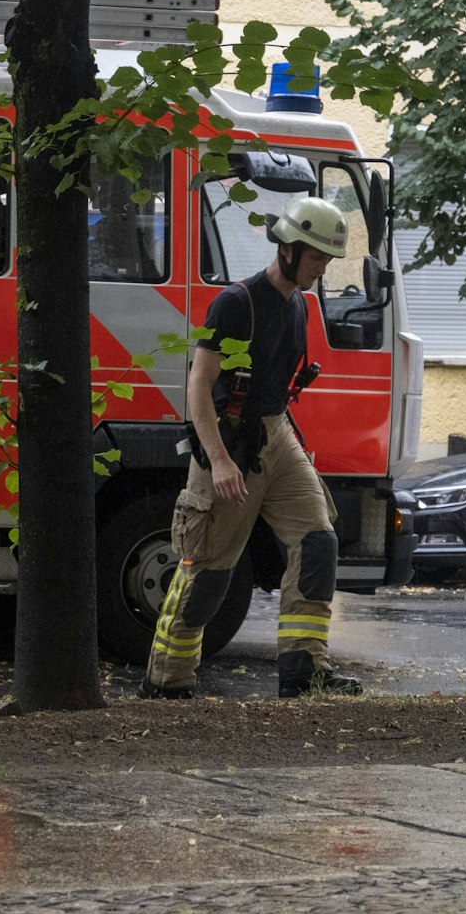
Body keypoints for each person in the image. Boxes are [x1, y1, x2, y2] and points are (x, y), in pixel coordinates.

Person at [141, 195, 363, 700]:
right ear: (287, 249)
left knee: (318, 542)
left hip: (276, 436)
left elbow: (277, 387)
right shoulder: (236, 304)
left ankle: (304, 672)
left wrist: (291, 444)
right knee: (210, 572)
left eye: (327, 261)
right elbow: (198, 386)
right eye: (316, 259)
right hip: (229, 441)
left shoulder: (299, 305)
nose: (321, 270)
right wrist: (219, 460)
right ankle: (166, 682)